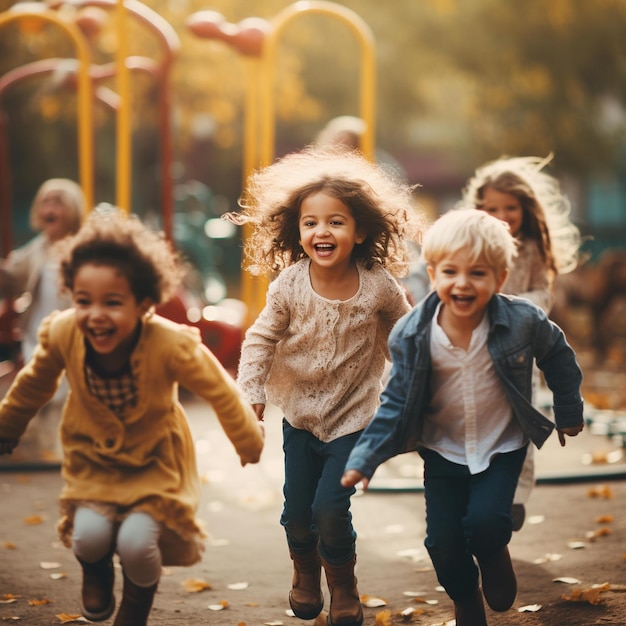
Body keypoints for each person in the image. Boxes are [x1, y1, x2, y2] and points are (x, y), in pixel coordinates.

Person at [0, 209, 264, 626]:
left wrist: (247, 439)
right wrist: (7, 428)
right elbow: (34, 383)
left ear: (143, 303)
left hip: (155, 462)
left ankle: (135, 607)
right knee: (89, 537)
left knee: (138, 543)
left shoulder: (169, 343)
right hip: (93, 461)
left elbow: (220, 389)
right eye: (84, 301)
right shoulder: (65, 332)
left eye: (112, 303)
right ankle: (97, 571)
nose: (95, 315)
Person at [341, 209, 584, 626]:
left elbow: (558, 355)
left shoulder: (522, 320)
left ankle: (493, 553)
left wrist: (567, 409)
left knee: (486, 522)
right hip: (442, 451)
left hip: (501, 446)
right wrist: (365, 458)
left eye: (478, 273)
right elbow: (395, 403)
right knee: (442, 544)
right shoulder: (412, 334)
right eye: (450, 271)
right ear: (433, 273)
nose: (462, 283)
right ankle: (464, 595)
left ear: (500, 278)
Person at [226, 144, 422, 626]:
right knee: (297, 513)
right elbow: (260, 338)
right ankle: (306, 573)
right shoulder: (288, 285)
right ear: (298, 230)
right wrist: (250, 391)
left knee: (331, 510)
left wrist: (418, 393)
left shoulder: (378, 285)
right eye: (311, 222)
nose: (322, 231)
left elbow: (408, 335)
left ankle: (343, 585)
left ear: (358, 232)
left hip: (354, 417)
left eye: (336, 221)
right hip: (300, 416)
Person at [461, 155, 581, 530]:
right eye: (492, 207)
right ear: (478, 209)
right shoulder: (471, 244)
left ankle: (513, 496)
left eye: (510, 207)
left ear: (525, 208)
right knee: (471, 418)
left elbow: (542, 297)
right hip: (474, 349)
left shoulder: (531, 247)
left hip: (517, 353)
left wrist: (506, 308)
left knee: (520, 421)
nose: (502, 215)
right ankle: (474, 487)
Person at [0, 178, 86, 462]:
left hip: (74, 331)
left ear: (72, 210)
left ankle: (64, 443)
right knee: (43, 387)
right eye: (45, 202)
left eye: (57, 202)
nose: (49, 208)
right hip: (37, 332)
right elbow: (12, 279)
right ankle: (46, 444)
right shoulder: (37, 248)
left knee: (66, 389)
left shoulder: (84, 246)